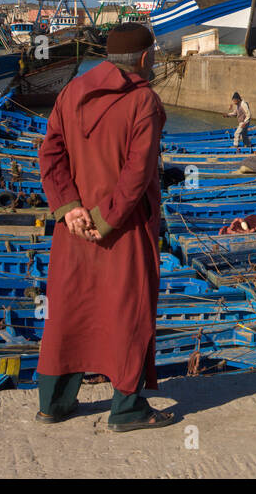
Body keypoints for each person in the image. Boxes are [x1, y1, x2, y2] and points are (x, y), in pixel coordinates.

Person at [35, 24, 173, 432]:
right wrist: (104, 220)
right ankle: (127, 408)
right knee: (128, 310)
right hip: (124, 231)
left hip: (73, 230)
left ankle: (54, 404)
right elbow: (136, 176)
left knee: (68, 312)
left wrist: (70, 208)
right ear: (145, 58)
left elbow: (50, 154)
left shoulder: (72, 91)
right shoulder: (144, 102)